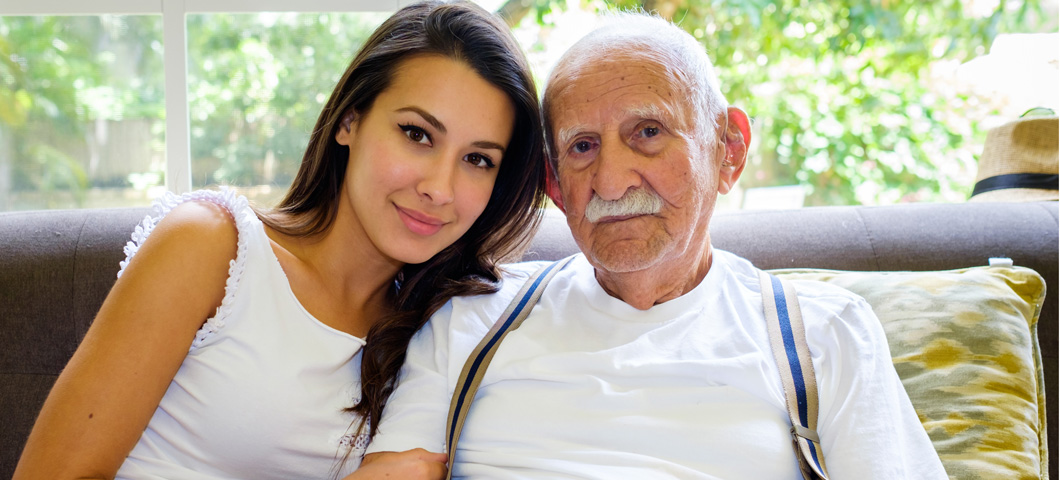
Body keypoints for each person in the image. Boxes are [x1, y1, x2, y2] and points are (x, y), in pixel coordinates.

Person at [362, 11, 948, 479]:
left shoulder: (826, 335)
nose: (612, 182)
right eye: (583, 146)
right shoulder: (469, 317)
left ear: (729, 150)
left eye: (647, 133)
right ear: (554, 185)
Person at [13, 1, 545, 478]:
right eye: (416, 134)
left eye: (478, 160)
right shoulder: (213, 247)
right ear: (349, 121)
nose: (439, 189)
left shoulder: (441, 328)